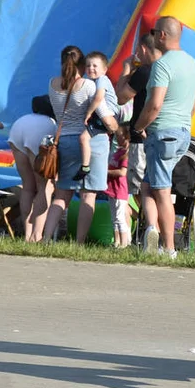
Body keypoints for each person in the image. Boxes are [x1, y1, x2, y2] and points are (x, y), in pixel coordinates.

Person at [133, 16, 195, 257]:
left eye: (154, 32)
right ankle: (151, 230)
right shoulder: (192, 63)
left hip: (163, 132)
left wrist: (138, 126)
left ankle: (169, 247)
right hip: (182, 131)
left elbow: (155, 104)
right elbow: (194, 102)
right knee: (147, 185)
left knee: (162, 190)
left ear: (162, 35)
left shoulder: (162, 65)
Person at [41, 46, 113, 244]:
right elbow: (105, 116)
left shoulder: (52, 84)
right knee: (88, 195)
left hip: (64, 141)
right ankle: (79, 242)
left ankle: (46, 238)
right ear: (82, 64)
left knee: (62, 194)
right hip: (89, 142)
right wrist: (114, 126)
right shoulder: (88, 86)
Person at [116, 34, 162, 219]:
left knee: (139, 188)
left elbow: (121, 97)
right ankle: (155, 228)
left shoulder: (145, 71)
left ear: (142, 49)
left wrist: (126, 70)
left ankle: (149, 228)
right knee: (158, 187)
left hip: (141, 139)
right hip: (165, 135)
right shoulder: (168, 69)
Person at [6, 99, 57, 241]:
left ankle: (27, 234)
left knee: (28, 187)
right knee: (44, 187)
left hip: (17, 130)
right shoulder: (50, 122)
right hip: (39, 133)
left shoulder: (24, 118)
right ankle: (37, 234)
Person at [75, 52, 120, 181]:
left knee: (83, 138)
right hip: (102, 115)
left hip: (108, 114)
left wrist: (88, 113)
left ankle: (85, 166)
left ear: (104, 70)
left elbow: (99, 98)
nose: (91, 68)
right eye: (88, 66)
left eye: (95, 66)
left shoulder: (102, 80)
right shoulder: (90, 81)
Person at [106, 125, 132, 248]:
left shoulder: (127, 154)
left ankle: (124, 243)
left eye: (120, 135)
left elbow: (122, 172)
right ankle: (116, 241)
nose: (117, 137)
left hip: (120, 190)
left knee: (120, 217)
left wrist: (106, 172)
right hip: (112, 189)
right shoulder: (118, 151)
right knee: (114, 218)